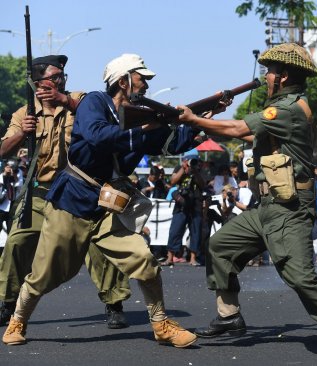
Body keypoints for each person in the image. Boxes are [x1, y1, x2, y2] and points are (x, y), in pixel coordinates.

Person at [176, 43, 317, 364]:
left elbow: (238, 128)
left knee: (300, 276)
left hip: (291, 209)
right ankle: (229, 314)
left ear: (284, 76)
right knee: (220, 246)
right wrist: (209, 120)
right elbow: (248, 136)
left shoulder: (286, 109)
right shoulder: (284, 109)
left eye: (270, 72)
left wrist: (194, 120)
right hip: (267, 207)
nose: (266, 77)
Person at [2, 53, 199, 347]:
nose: (145, 84)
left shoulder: (139, 114)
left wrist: (196, 121)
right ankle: (17, 320)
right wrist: (145, 130)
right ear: (122, 81)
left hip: (108, 205)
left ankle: (160, 324)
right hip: (71, 200)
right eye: (140, 77)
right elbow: (98, 136)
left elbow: (172, 143)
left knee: (144, 260)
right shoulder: (95, 102)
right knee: (47, 273)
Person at [0, 55, 132, 330]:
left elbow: (100, 117)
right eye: (54, 77)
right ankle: (7, 303)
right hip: (41, 191)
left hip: (79, 190)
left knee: (98, 245)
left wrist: (63, 98)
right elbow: (3, 151)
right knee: (16, 243)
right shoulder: (24, 112)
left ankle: (114, 303)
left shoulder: (79, 100)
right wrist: (22, 134)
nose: (61, 81)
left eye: (62, 77)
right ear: (37, 83)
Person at [162, 151, 206, 267]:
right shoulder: (179, 168)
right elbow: (173, 181)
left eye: (194, 160)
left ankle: (193, 258)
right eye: (190, 160)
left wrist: (195, 171)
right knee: (175, 230)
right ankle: (170, 258)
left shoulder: (199, 169)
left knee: (195, 232)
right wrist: (183, 168)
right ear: (184, 160)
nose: (192, 163)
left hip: (196, 204)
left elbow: (203, 185)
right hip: (181, 203)